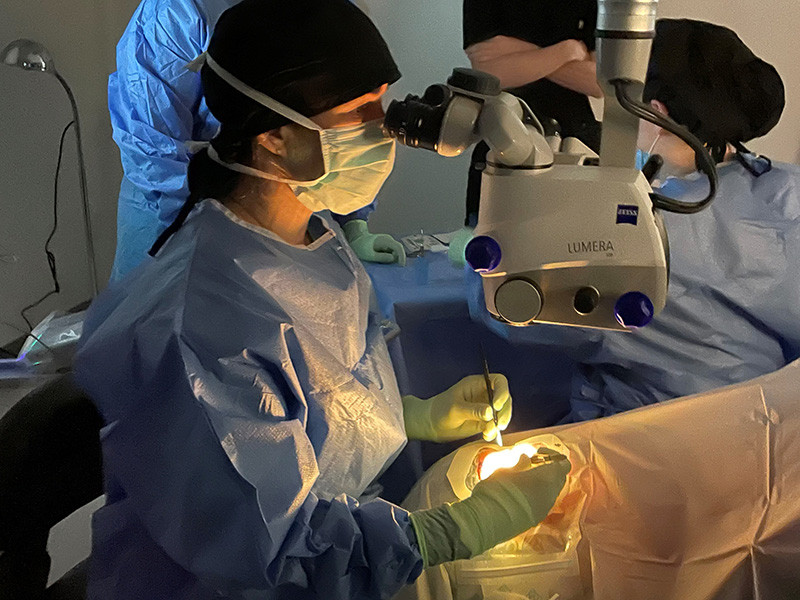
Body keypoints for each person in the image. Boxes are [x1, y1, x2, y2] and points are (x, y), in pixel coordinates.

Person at [74, 2, 570, 598]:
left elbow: (316, 403)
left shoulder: (314, 239)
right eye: (360, 112)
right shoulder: (202, 327)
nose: (386, 128)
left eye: (384, 103)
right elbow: (273, 557)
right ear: (274, 137)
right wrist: (457, 529)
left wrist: (412, 414)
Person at [467, 18, 800, 422]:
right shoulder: (788, 190)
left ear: (655, 111)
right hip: (767, 429)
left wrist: (483, 250)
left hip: (649, 435)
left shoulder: (636, 226)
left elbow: (512, 312)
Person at [108, 0, 405, 281]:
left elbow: (344, 120)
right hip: (175, 219)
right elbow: (153, 147)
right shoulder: (179, 12)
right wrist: (194, 233)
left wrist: (353, 222)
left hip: (288, 212)